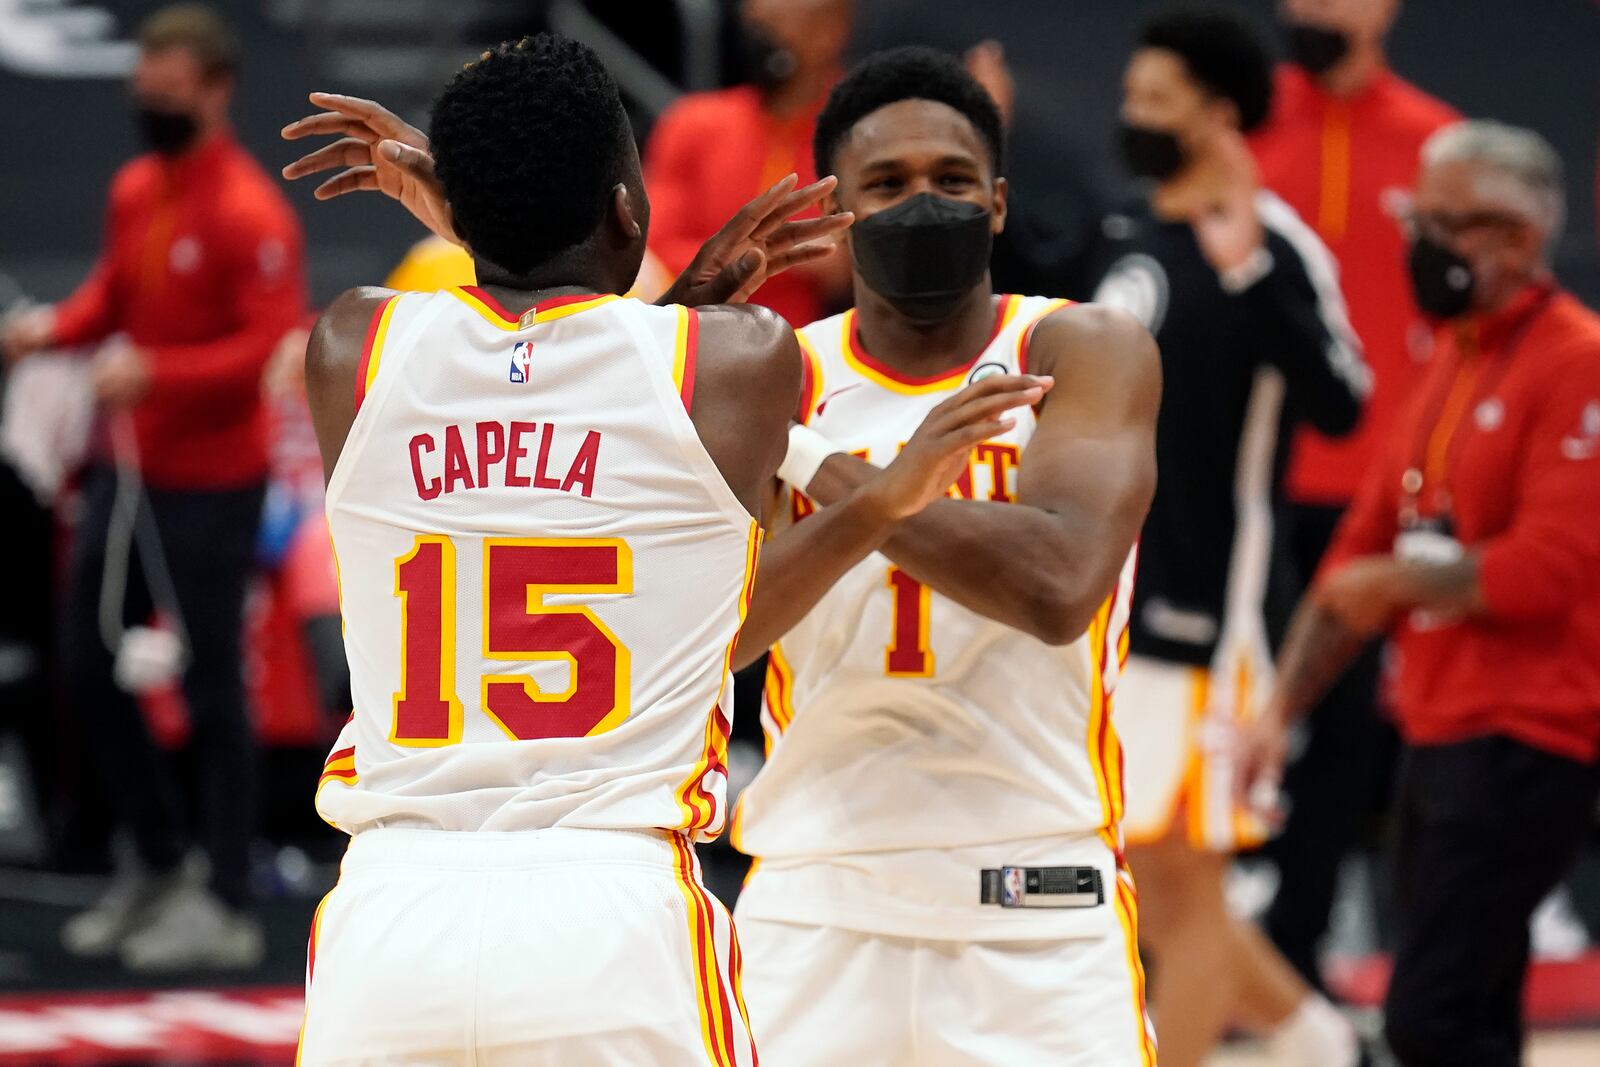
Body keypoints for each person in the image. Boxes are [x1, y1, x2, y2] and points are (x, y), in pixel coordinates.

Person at [279, 35, 1036, 1064]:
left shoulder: (352, 345)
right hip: (612, 913)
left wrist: (463, 190)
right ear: (630, 212)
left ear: (458, 208)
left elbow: (543, 336)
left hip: (390, 913)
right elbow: (623, 394)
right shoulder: (733, 356)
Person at [728, 47, 1163, 1065]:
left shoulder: (1076, 349)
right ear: (837, 211)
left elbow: (1056, 585)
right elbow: (725, 635)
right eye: (887, 183)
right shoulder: (779, 374)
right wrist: (887, 480)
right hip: (813, 895)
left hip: (1037, 898)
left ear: (999, 204)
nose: (923, 203)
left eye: (951, 181)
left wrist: (833, 474)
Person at [1244, 120, 1600, 1067]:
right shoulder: (1449, 359)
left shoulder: (1576, 360)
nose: (1423, 247)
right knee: (1469, 1013)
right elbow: (1360, 544)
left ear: (1522, 239)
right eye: (1418, 222)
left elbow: (1548, 567)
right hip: (1439, 726)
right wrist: (1278, 712)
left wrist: (1392, 580)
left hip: (1531, 733)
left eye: (1451, 225)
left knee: (1429, 1016)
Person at [1082, 8, 1370, 1066]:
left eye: (1156, 103)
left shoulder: (1274, 242)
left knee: (1183, 883)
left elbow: (1344, 401)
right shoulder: (1122, 232)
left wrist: (1249, 271)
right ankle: (1318, 1041)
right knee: (1159, 878)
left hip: (1216, 610)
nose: (1133, 117)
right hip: (1112, 597)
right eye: (1130, 98)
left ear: (1215, 115)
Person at [0, 3, 306, 970]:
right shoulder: (138, 187)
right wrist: (51, 330)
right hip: (130, 474)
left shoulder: (252, 213)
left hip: (216, 482)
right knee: (85, 663)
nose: (152, 109)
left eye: (170, 96)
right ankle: (161, 862)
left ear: (217, 92)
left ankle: (225, 897)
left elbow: (270, 348)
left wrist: (158, 374)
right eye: (145, 93)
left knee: (215, 687)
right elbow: (113, 297)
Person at [1248, 0, 1460, 987]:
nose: (1307, 10)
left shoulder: (1435, 145)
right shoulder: (1243, 127)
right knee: (1211, 708)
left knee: (1342, 735)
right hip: (1243, 482)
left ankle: (1293, 951)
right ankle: (1181, 940)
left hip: (1375, 493)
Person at [644, 0, 853, 325]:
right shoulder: (692, 123)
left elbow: (863, 263)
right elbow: (655, 252)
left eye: (777, 23)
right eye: (754, 24)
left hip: (814, 344)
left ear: (829, 31)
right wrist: (772, 252)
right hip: (698, 335)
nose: (759, 39)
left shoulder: (860, 130)